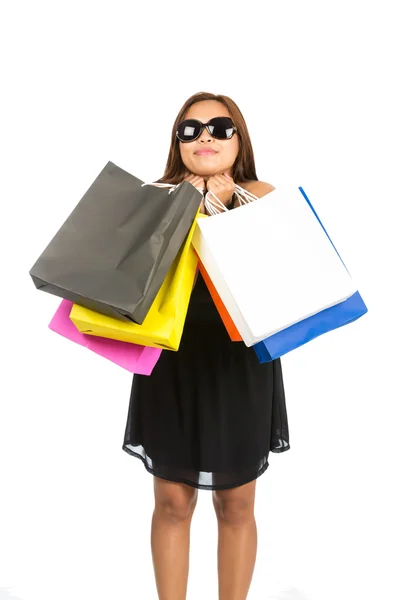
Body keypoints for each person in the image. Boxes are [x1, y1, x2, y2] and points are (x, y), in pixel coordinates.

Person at [122, 91, 290, 600]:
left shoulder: (261, 194)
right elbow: (133, 283)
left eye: (220, 127)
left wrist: (226, 209)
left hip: (240, 363)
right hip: (171, 360)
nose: (206, 138)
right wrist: (183, 206)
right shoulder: (156, 195)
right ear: (178, 143)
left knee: (236, 504)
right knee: (173, 501)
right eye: (190, 130)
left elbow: (275, 285)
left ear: (240, 138)